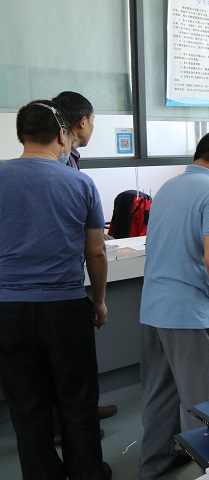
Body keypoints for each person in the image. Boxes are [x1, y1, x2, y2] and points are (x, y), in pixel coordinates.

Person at [0, 100, 110, 478]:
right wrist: (98, 301)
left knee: (27, 408)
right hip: (65, 307)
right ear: (63, 135)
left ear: (21, 135)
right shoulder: (79, 183)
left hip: (8, 310)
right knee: (78, 403)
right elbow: (96, 252)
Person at [138, 128, 209, 479]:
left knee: (158, 396)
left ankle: (154, 464)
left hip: (152, 311)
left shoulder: (167, 188)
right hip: (191, 316)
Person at [52, 90, 118, 436]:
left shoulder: (68, 160)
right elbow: (92, 247)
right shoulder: (66, 166)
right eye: (93, 121)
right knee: (68, 363)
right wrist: (100, 299)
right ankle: (73, 425)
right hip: (61, 285)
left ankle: (82, 414)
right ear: (81, 123)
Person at [51, 91, 95, 170]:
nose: (93, 126)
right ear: (83, 122)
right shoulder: (64, 160)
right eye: (92, 120)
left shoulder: (51, 153)